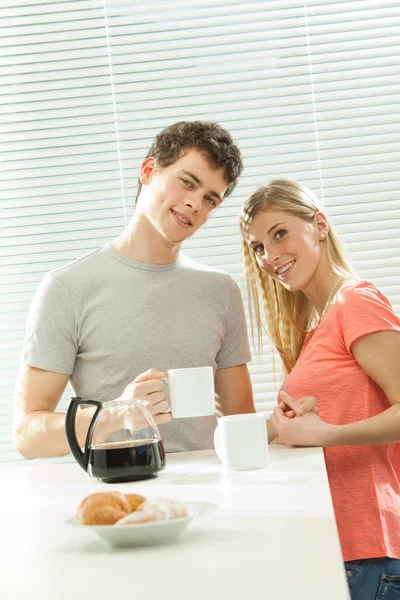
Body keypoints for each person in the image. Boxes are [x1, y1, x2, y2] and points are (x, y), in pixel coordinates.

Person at [14, 120, 262, 460]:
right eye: (187, 183)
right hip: (119, 494)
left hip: (213, 495)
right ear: (148, 171)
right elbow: (27, 434)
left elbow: (240, 421)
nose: (195, 204)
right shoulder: (67, 288)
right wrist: (114, 416)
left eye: (210, 199)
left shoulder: (220, 291)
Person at [240, 179, 400, 599]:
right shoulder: (320, 326)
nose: (270, 256)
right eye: (258, 246)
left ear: (320, 226)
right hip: (341, 551)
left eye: (279, 233)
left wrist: (328, 434)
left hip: (368, 554)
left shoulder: (355, 302)